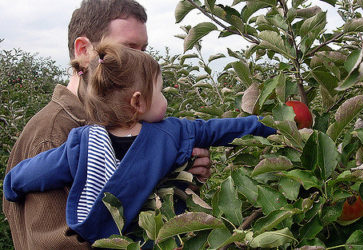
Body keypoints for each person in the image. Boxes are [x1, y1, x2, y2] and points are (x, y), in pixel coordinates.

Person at [4, 40, 277, 244]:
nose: (166, 100)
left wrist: (12, 184)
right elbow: (222, 129)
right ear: (138, 101)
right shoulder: (171, 132)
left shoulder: (83, 141)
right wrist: (269, 126)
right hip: (155, 240)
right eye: (160, 91)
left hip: (99, 236)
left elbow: (38, 170)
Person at [2, 0, 211, 249]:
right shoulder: (53, 134)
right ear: (83, 51)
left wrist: (181, 173)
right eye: (128, 48)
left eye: (143, 50)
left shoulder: (123, 120)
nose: (140, 61)